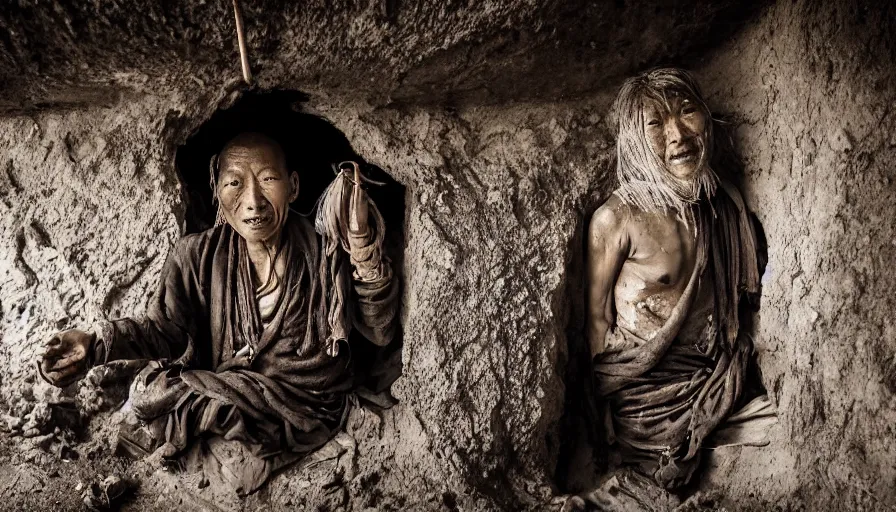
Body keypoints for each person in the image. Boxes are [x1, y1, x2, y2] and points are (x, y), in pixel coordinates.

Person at [38, 132, 398, 494]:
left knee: (178, 408)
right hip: (231, 387)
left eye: (268, 180)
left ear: (293, 186)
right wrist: (96, 342)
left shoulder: (325, 251)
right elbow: (163, 329)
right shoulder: (196, 256)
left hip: (306, 401)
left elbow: (379, 332)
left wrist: (362, 244)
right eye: (234, 184)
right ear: (217, 193)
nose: (253, 201)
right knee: (151, 391)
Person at [586, 68, 774, 489]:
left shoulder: (721, 207)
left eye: (687, 111)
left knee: (784, 428)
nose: (678, 135)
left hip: (715, 384)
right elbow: (597, 323)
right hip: (646, 401)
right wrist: (600, 420)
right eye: (656, 123)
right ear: (635, 139)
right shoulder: (615, 220)